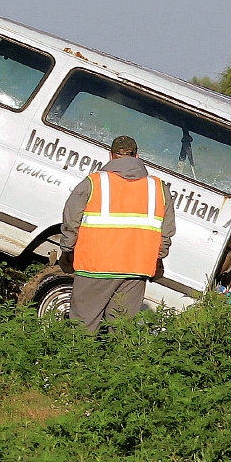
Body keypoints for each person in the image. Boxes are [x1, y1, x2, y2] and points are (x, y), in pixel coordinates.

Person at [59, 135, 176, 333]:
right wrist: (158, 258)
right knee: (121, 331)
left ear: (111, 156)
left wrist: (67, 250)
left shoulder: (93, 182)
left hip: (95, 267)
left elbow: (71, 220)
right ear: (137, 156)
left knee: (81, 328)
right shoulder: (158, 188)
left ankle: (76, 363)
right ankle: (116, 364)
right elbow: (166, 231)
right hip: (136, 270)